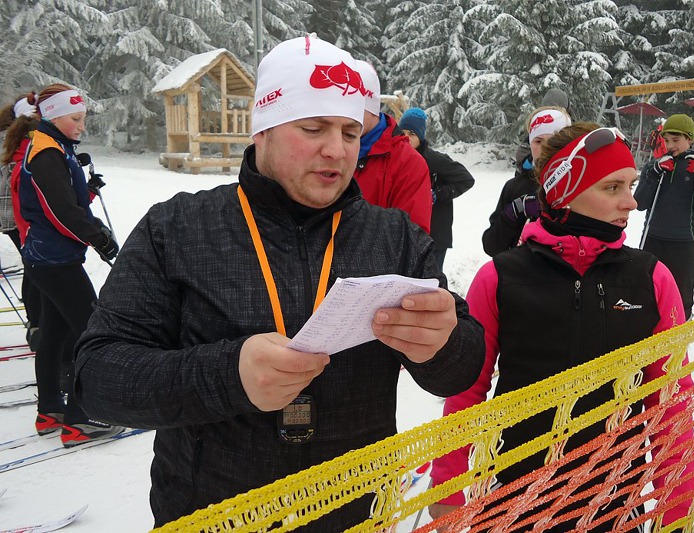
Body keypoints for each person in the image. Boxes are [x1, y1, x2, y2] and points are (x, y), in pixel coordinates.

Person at [74, 36, 484, 531]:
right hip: (211, 512)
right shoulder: (178, 228)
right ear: (261, 130)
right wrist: (228, 374)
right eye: (312, 127)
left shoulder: (393, 237)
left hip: (355, 512)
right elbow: (97, 377)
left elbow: (461, 368)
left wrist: (443, 344)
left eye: (351, 133)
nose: (336, 150)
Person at [429, 123, 694, 531]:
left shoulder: (651, 278)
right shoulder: (500, 277)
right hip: (514, 497)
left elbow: (671, 401)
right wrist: (447, 489)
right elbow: (467, 390)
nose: (632, 202)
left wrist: (675, 502)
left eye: (632, 185)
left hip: (613, 501)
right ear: (564, 192)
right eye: (613, 188)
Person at [16, 83, 122, 446]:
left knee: (55, 332)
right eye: (75, 118)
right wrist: (98, 236)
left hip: (48, 257)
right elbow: (60, 212)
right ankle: (81, 417)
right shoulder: (46, 153)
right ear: (54, 115)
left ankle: (51, 410)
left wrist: (88, 189)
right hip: (55, 259)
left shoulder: (54, 147)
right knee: (91, 332)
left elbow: (63, 200)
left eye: (83, 118)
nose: (81, 125)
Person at [635, 113, 694, 320]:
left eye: (676, 140)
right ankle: (644, 328)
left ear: (690, 139)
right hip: (653, 238)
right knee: (646, 288)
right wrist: (653, 174)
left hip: (684, 242)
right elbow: (639, 203)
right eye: (666, 140)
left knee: (682, 296)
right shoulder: (655, 166)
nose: (670, 145)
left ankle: (680, 333)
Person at [352, 59, 432, 233]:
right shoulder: (326, 149)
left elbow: (412, 243)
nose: (343, 115)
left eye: (352, 106)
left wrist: (442, 192)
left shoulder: (409, 163)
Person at [481, 106, 571, 256]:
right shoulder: (515, 186)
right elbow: (492, 247)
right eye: (538, 141)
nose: (545, 149)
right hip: (522, 275)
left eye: (554, 141)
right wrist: (513, 212)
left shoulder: (582, 185)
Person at [398, 107, 474, 271]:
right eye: (402, 133)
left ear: (421, 136)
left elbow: (466, 179)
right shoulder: (398, 159)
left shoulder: (434, 159)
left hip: (435, 235)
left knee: (431, 281)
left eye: (412, 134)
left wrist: (437, 194)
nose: (406, 138)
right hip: (408, 233)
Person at [0, 91, 42, 350]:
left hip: (16, 215)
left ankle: (37, 322)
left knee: (35, 268)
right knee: (37, 268)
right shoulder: (16, 139)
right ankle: (37, 323)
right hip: (18, 216)